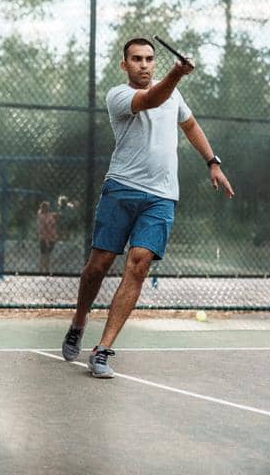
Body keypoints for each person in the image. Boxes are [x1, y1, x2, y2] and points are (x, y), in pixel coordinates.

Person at [61, 37, 234, 378]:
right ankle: (79, 320)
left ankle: (103, 350)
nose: (143, 64)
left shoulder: (174, 93)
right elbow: (152, 99)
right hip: (121, 190)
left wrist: (212, 162)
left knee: (138, 265)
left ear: (155, 62)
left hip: (162, 196)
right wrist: (177, 74)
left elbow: (190, 125)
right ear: (124, 64)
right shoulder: (119, 95)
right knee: (98, 266)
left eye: (149, 59)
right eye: (136, 59)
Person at [37, 200, 60, 273]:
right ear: (43, 208)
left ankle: (47, 269)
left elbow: (56, 216)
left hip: (52, 237)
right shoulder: (42, 216)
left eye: (48, 207)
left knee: (48, 254)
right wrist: (46, 239)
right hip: (44, 237)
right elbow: (43, 229)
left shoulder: (50, 215)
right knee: (43, 254)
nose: (47, 208)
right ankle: (41, 269)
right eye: (46, 207)